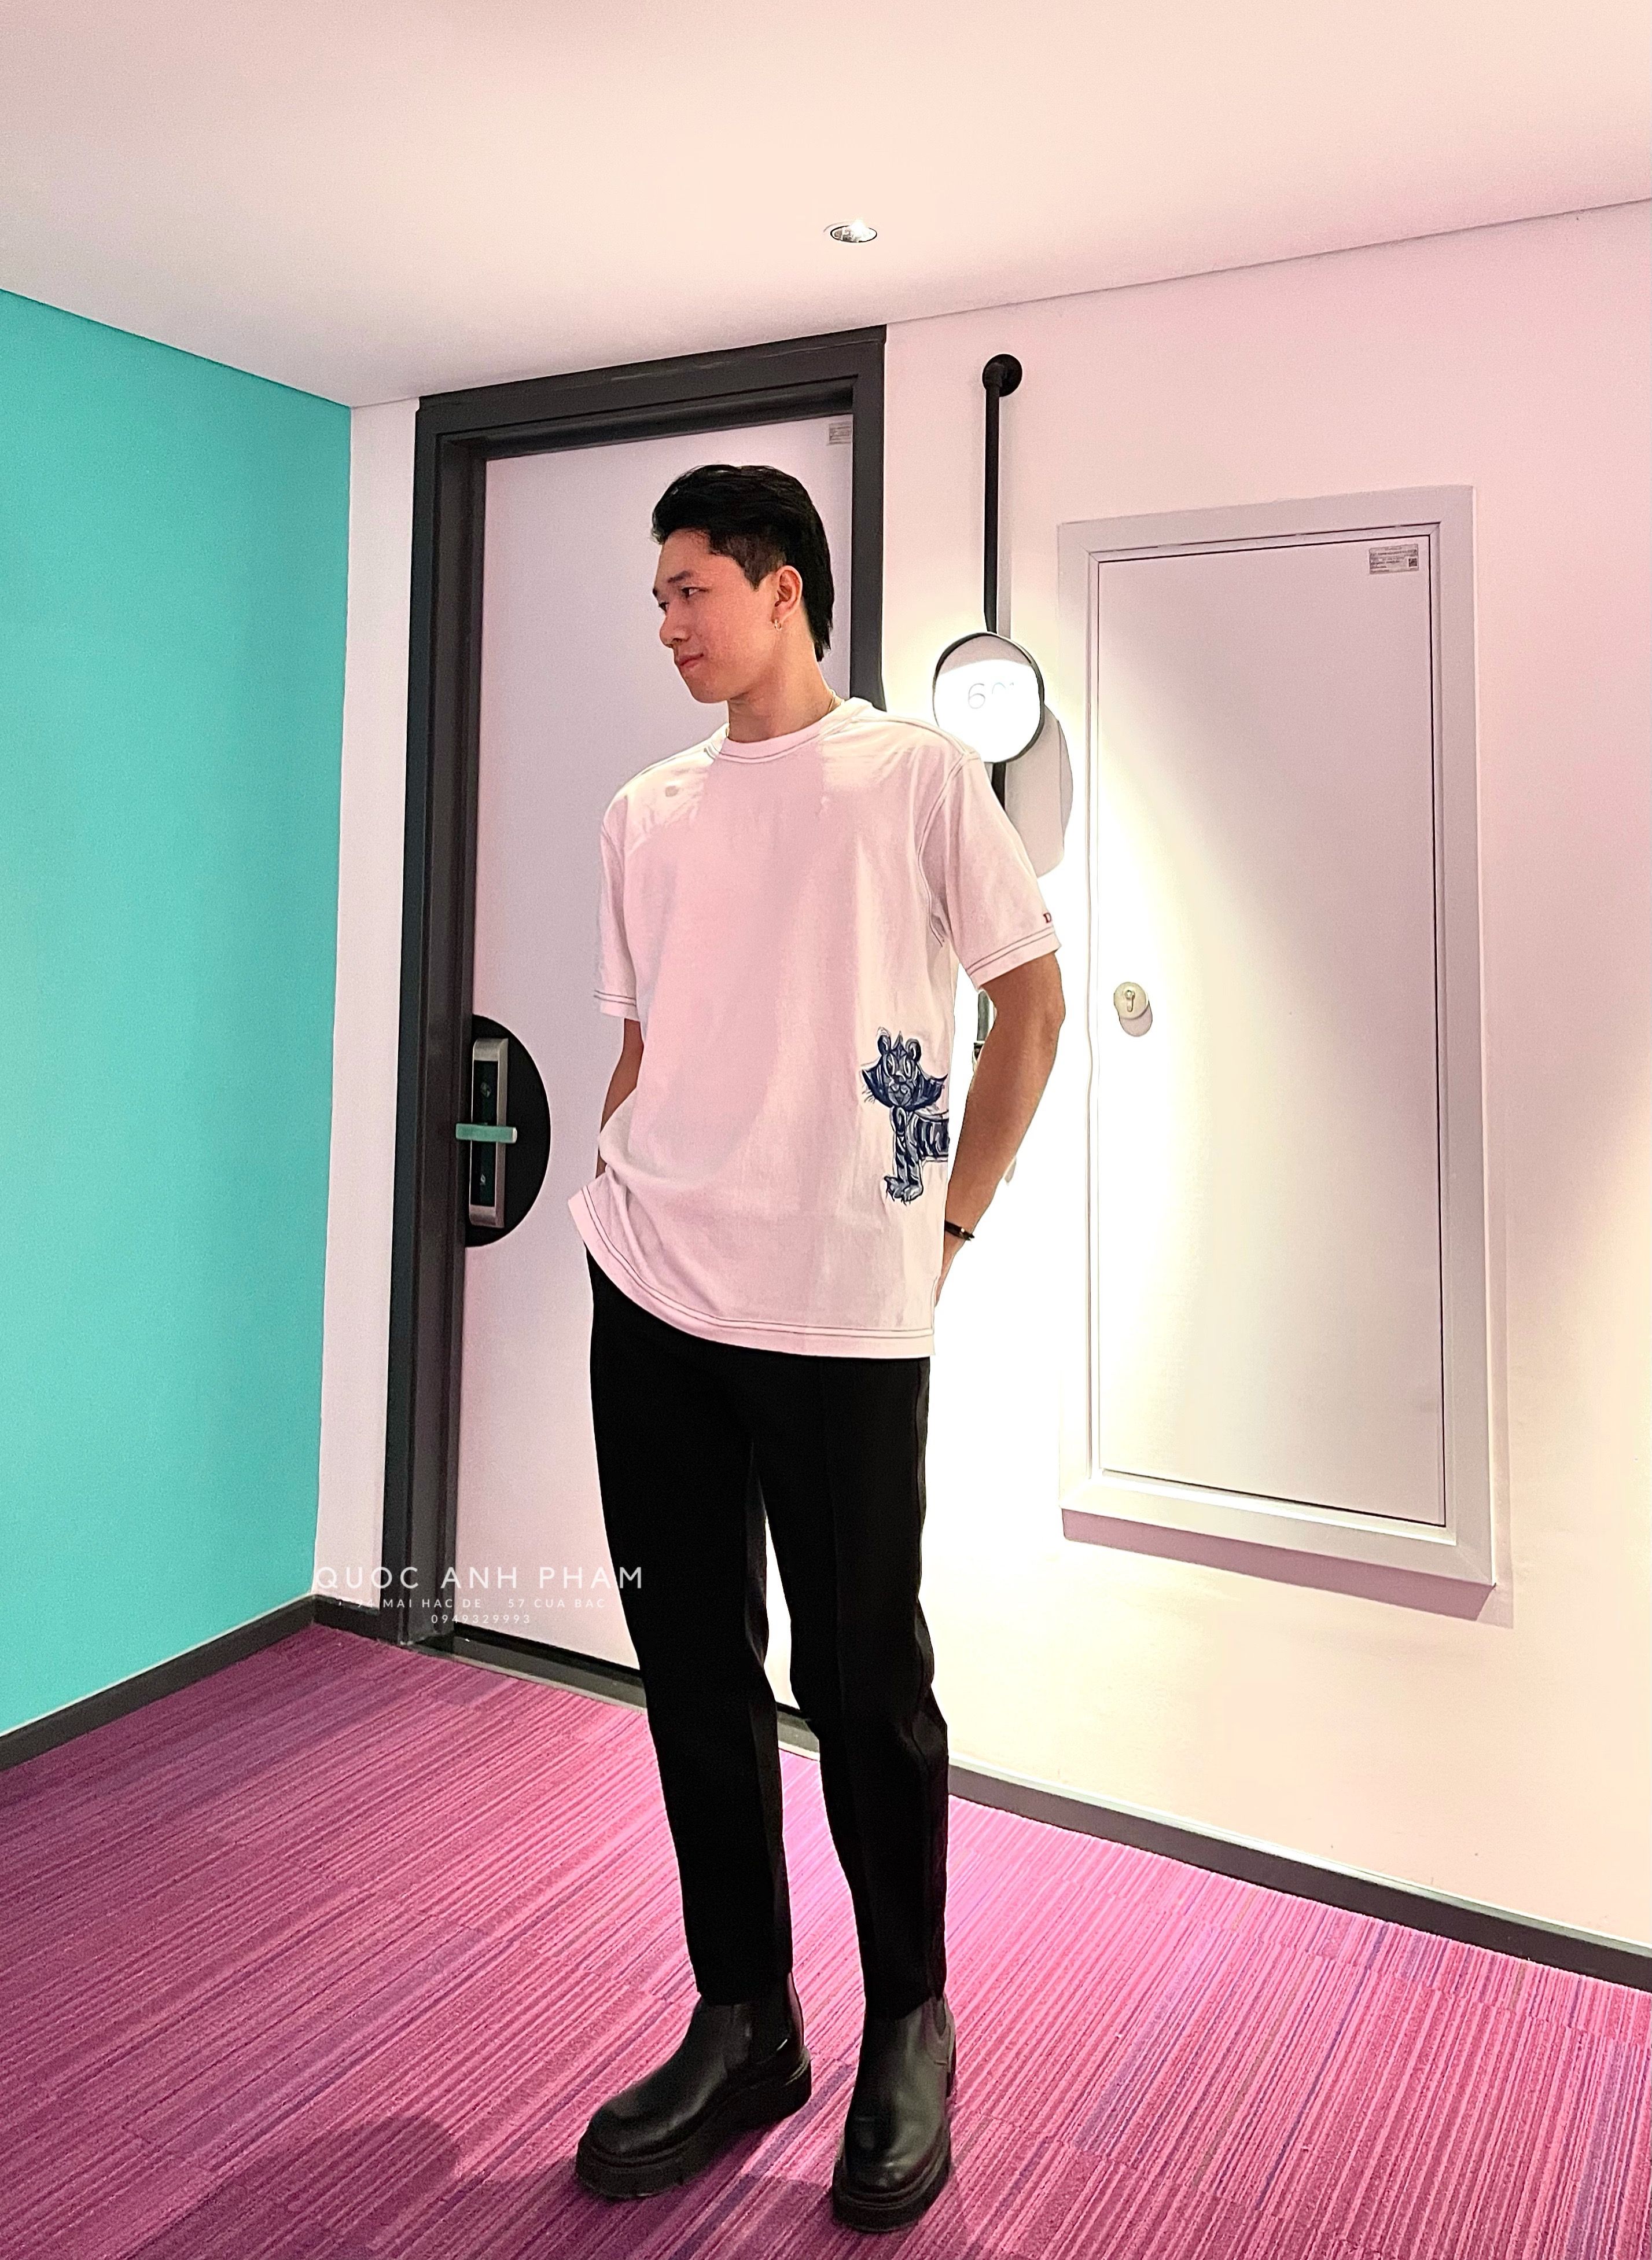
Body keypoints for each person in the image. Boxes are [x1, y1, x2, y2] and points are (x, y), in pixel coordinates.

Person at [568, 461, 1063, 2232]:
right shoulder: (644, 812)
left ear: (784, 586)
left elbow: (1031, 1000)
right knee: (690, 1664)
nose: (668, 622)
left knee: (864, 1684)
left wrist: (952, 1225)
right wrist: (613, 1189)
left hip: (845, 1310)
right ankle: (748, 2015)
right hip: (651, 1293)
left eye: (691, 587)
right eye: (658, 595)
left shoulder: (914, 776)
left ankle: (909, 2018)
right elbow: (641, 1045)